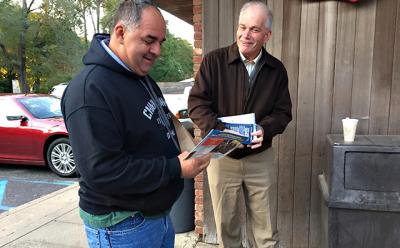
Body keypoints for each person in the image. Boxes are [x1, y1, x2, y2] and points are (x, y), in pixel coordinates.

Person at [61, 1, 210, 247]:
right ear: (120, 33)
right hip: (122, 225)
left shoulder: (140, 77)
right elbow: (102, 171)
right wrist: (175, 168)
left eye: (160, 42)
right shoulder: (90, 90)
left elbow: (161, 126)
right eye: (149, 40)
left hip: (156, 217)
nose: (157, 51)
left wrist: (192, 151)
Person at [188, 1, 292, 247]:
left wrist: (265, 129)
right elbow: (196, 103)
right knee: (227, 230)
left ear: (267, 35)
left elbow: (283, 112)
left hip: (259, 158)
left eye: (254, 29)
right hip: (223, 157)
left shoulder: (276, 70)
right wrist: (222, 132)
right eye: (242, 27)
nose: (245, 35)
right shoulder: (214, 61)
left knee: (266, 233)